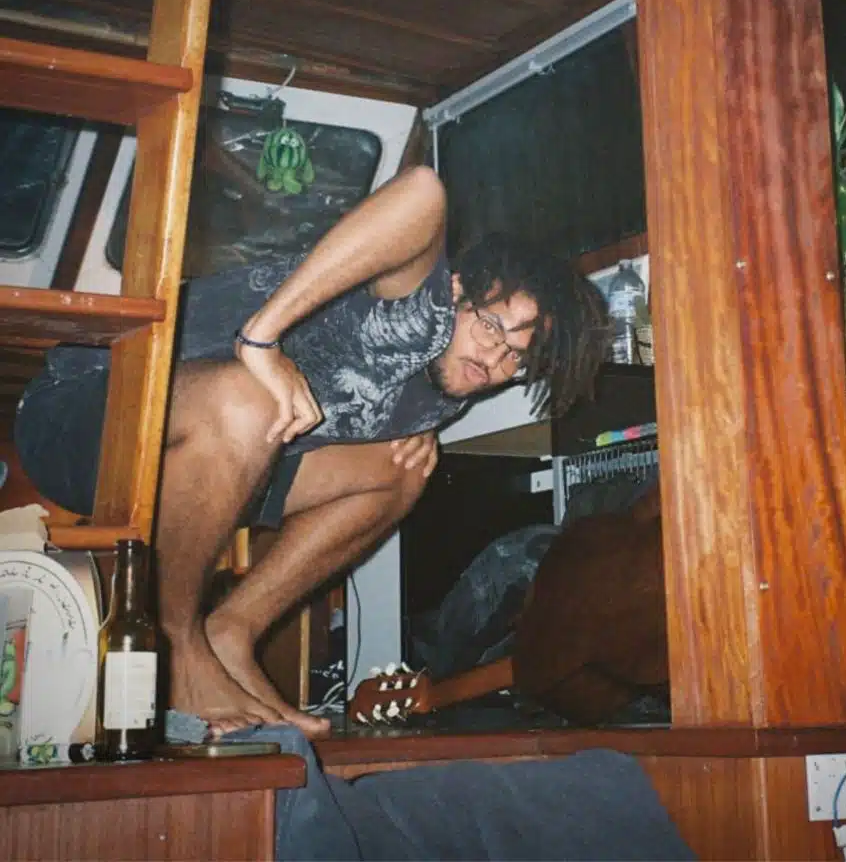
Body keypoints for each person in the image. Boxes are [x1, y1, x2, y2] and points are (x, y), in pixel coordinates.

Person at [15, 165, 608, 738]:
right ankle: (175, 639)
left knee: (399, 472)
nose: (494, 360)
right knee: (250, 399)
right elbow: (422, 190)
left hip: (187, 466)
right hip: (86, 416)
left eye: (517, 358)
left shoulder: (448, 387)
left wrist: (421, 429)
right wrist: (261, 340)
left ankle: (232, 631)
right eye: (493, 327)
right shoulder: (419, 314)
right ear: (454, 290)